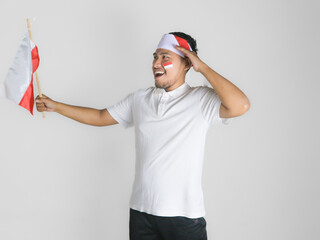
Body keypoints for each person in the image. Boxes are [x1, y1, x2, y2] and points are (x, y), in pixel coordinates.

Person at [35, 32, 250, 240]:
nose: (156, 63)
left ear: (187, 63)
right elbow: (101, 116)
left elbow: (241, 105)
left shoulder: (201, 100)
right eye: (155, 57)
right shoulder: (140, 99)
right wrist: (56, 106)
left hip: (184, 217)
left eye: (165, 57)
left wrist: (202, 67)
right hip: (141, 213)